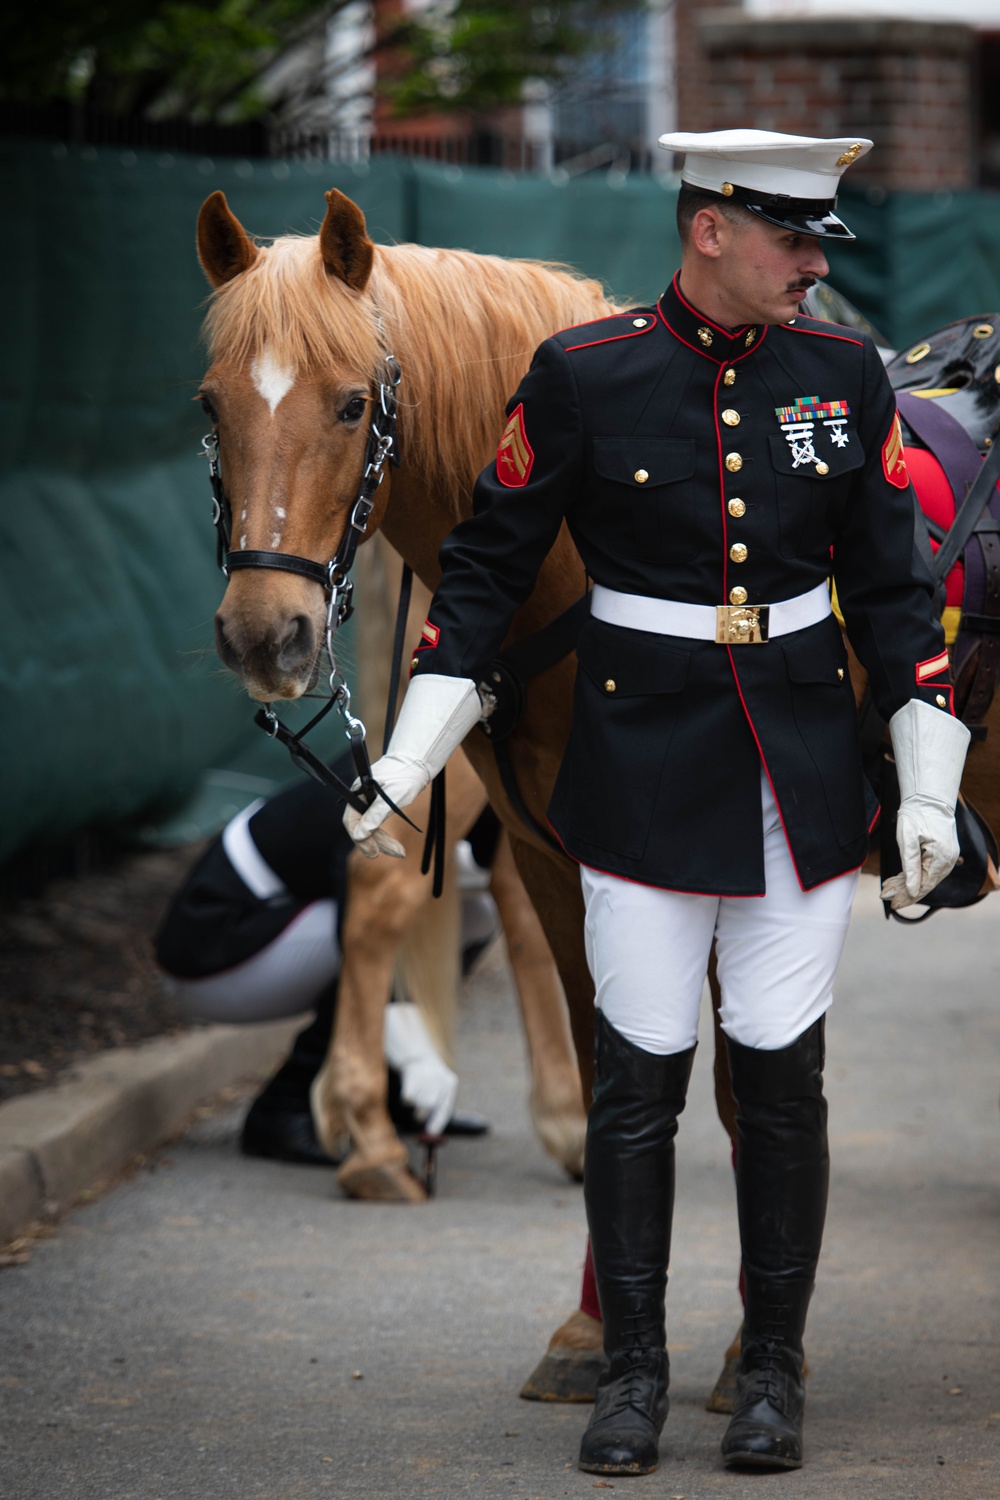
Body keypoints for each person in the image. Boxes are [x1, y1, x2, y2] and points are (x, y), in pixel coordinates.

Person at [339, 130, 970, 1474]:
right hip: (632, 773)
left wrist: (926, 782)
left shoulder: (846, 377)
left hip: (796, 777)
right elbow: (483, 584)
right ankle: (631, 1372)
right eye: (794, 241)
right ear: (710, 233)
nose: (817, 266)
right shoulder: (581, 376)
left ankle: (775, 1375)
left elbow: (901, 602)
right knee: (636, 1087)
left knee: (781, 1087)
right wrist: (404, 763)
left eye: (822, 241)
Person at [155, 758, 492, 1164]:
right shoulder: (398, 767)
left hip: (273, 929)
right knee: (384, 923)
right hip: (214, 948)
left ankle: (395, 1093)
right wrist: (409, 1038)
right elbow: (363, 914)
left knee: (476, 913)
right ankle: (283, 1107)